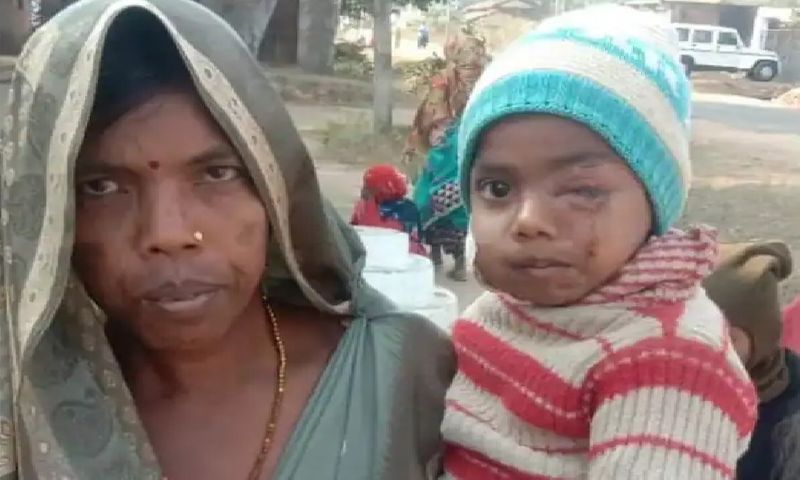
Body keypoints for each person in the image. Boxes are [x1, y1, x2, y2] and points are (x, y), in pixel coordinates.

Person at [0, 1, 454, 479]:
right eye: (103, 187)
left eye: (217, 174)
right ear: (50, 218)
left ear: (275, 189)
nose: (168, 234)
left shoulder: (401, 377)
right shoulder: (26, 415)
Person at [439, 6, 757, 479]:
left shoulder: (668, 362)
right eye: (498, 189)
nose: (528, 221)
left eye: (583, 191)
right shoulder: (510, 304)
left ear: (653, 204)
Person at [704, 241, 800, 480]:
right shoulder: (674, 386)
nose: (709, 348)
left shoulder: (791, 416)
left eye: (729, 337)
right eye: (697, 332)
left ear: (761, 334)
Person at [403, 32, 488, 281]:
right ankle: (456, 261)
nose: (471, 68)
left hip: (444, 149)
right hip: (470, 146)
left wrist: (426, 137)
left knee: (429, 198)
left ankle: (437, 256)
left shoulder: (444, 81)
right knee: (460, 203)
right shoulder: (486, 81)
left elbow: (430, 115)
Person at [350, 164, 425, 255]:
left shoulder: (407, 210)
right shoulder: (410, 207)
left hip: (395, 253)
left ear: (384, 190)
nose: (363, 191)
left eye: (369, 188)